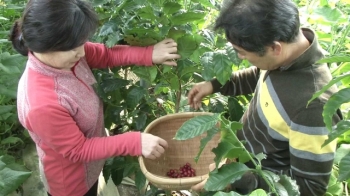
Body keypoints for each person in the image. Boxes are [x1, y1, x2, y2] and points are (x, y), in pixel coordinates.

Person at [9, 0, 180, 195]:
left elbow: (106, 55)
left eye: (81, 43)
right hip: (72, 184)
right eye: (74, 48)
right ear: (45, 45)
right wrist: (135, 142)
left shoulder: (67, 55)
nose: (81, 52)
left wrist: (149, 54)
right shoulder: (42, 104)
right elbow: (78, 150)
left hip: (90, 169)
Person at [187, 0, 342, 195]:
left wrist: (238, 180)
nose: (241, 57)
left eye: (243, 53)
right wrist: (216, 85)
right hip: (245, 156)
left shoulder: (312, 108)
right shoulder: (285, 57)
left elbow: (310, 188)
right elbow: (261, 74)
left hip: (260, 184)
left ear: (275, 48)